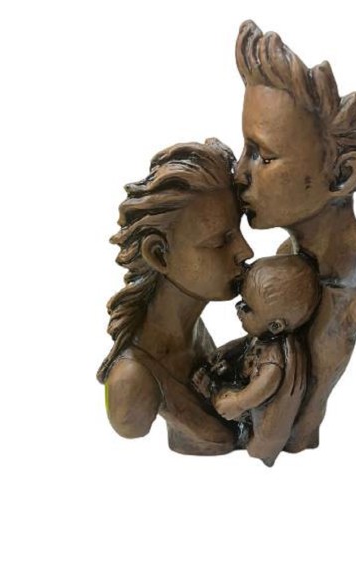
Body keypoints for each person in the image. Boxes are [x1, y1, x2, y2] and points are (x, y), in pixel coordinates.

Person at [234, 21, 356, 452]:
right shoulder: (288, 261)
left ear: (340, 175)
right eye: (245, 150)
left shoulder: (355, 301)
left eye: (263, 156)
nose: (240, 174)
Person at [97, 138, 253, 455]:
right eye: (219, 241)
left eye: (238, 231)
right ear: (159, 254)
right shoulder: (133, 382)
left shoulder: (194, 334)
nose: (246, 251)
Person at [192, 255, 320, 466]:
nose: (239, 309)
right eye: (241, 302)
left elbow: (262, 388)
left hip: (251, 410)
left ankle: (210, 392)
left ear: (276, 325)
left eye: (247, 308)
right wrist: (224, 351)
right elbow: (245, 342)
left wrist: (238, 401)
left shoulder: (273, 361)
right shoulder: (264, 333)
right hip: (244, 379)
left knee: (223, 401)